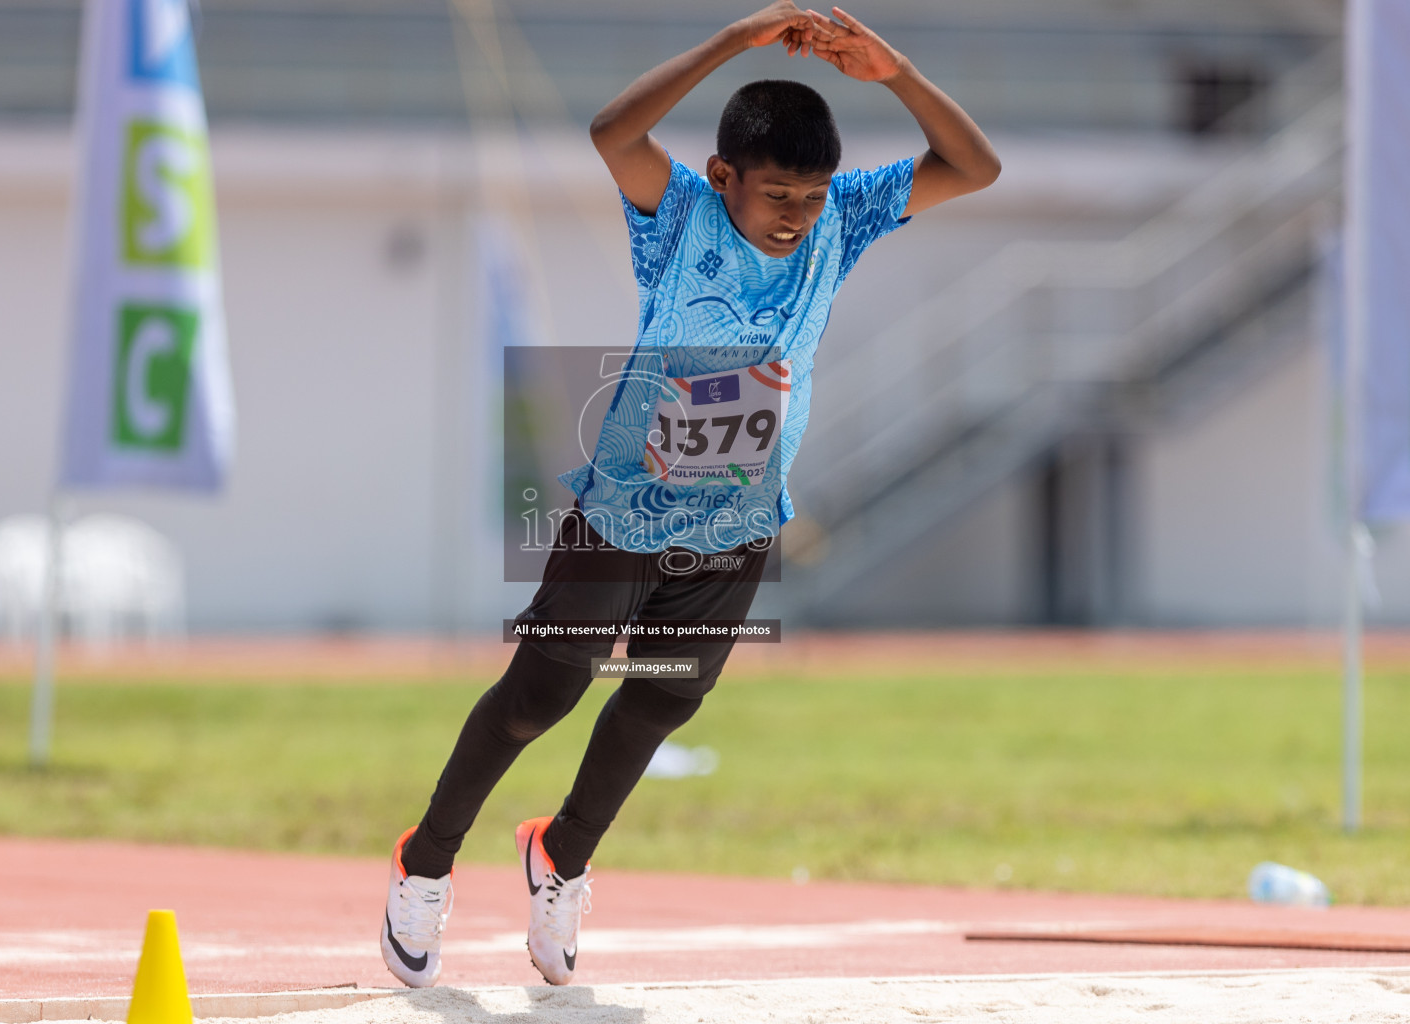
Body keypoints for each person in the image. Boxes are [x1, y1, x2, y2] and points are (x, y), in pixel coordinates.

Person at [380, 0, 1000, 988]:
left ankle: (562, 857)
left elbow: (975, 168)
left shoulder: (842, 219)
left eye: (809, 193)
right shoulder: (681, 217)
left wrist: (896, 74)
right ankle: (425, 862)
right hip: (624, 509)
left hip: (741, 521)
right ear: (724, 178)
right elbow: (611, 133)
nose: (795, 213)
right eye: (776, 194)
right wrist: (730, 43)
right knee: (540, 694)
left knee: (662, 700)